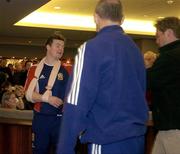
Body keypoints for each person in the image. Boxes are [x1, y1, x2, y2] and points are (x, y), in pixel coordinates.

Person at [57, 0, 148, 154]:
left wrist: (64, 148)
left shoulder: (91, 49)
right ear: (122, 19)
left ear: (96, 17)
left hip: (106, 139)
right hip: (136, 140)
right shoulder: (135, 50)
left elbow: (76, 102)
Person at [24, 34, 69, 154]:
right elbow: (28, 95)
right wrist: (47, 99)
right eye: (57, 45)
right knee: (39, 151)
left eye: (63, 47)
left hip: (60, 120)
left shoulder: (68, 70)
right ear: (48, 47)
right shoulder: (34, 69)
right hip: (41, 118)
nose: (61, 49)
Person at [147, 17, 180, 154]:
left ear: (168, 33)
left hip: (173, 126)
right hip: (168, 126)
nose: (157, 41)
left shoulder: (170, 57)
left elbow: (149, 81)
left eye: (158, 36)